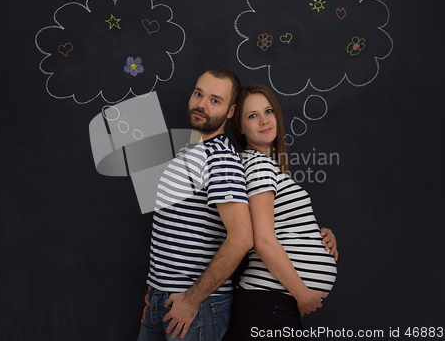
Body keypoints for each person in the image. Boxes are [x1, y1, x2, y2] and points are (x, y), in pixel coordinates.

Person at [137, 70, 337, 341]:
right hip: (171, 299)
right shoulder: (197, 154)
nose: (202, 105)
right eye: (199, 94)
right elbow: (170, 230)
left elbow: (247, 235)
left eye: (215, 100)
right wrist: (156, 289)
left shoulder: (223, 160)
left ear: (230, 112)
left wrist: (316, 235)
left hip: (196, 304)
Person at [225, 83, 338, 340]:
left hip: (271, 304)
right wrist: (303, 295)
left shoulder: (263, 166)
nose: (264, 121)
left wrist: (319, 236)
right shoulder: (259, 165)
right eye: (253, 115)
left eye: (268, 111)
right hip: (270, 305)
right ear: (240, 128)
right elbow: (263, 241)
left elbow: (278, 227)